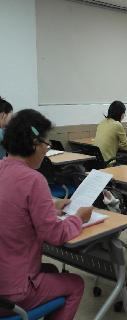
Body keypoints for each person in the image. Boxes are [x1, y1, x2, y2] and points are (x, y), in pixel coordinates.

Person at [0, 109, 92, 320]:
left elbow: (12, 209)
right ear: (35, 143)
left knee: (50, 269)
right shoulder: (33, 180)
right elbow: (55, 235)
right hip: (11, 294)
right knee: (75, 284)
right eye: (47, 144)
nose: (46, 150)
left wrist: (50, 206)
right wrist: (78, 218)